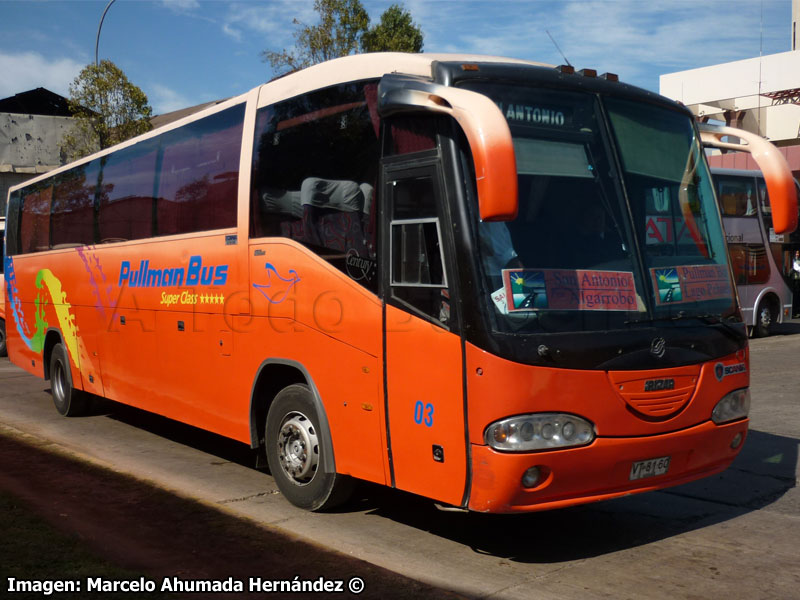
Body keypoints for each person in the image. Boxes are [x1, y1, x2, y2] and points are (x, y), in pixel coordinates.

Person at [792, 250, 800, 318]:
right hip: (795, 280)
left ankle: (797, 311)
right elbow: (796, 268)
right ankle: (794, 311)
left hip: (798, 279)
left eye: (798, 253)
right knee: (795, 295)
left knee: (798, 296)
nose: (797, 254)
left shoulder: (798, 260)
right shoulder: (793, 260)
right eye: (796, 253)